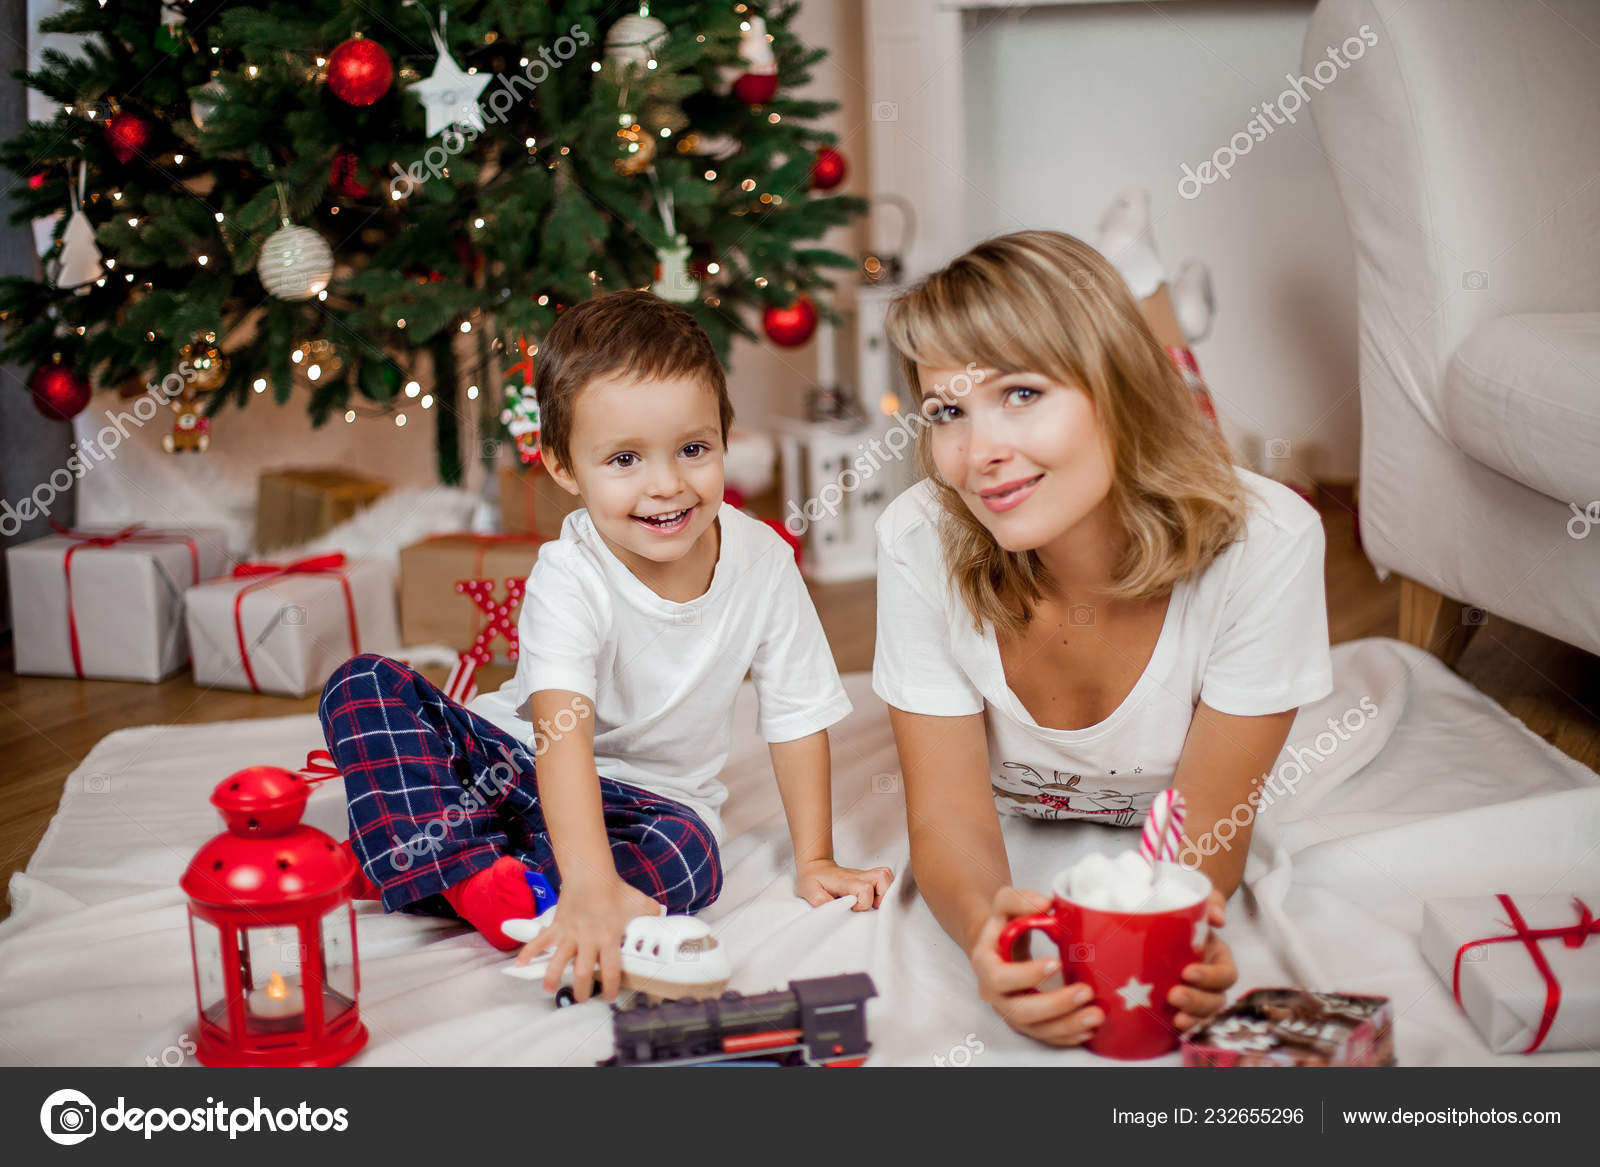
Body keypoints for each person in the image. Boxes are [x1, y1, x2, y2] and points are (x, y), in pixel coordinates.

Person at [320, 290, 891, 1004]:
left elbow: (797, 711)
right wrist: (588, 882)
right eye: (624, 458)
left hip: (648, 801)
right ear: (564, 467)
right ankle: (476, 877)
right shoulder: (570, 573)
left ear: (725, 435)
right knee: (363, 683)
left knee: (690, 863)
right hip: (519, 760)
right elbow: (564, 731)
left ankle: (429, 854)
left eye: (693, 448)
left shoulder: (765, 561)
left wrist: (814, 858)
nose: (667, 485)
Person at [873, 230, 1333, 1046]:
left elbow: (1206, 835)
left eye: (1020, 393)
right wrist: (989, 938)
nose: (980, 453)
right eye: (947, 410)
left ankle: (1149, 264)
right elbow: (947, 818)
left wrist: (1173, 936)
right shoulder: (918, 537)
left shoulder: (1270, 543)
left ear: (1116, 387)